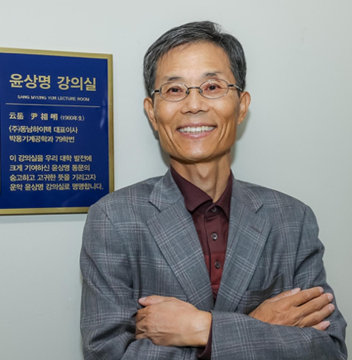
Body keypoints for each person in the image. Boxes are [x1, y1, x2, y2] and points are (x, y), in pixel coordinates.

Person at [80, 21, 347, 359]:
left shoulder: (292, 219)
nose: (194, 105)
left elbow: (328, 350)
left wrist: (201, 328)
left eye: (211, 86)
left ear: (242, 105)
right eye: (174, 90)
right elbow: (108, 354)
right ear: (152, 112)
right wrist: (259, 324)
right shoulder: (113, 219)